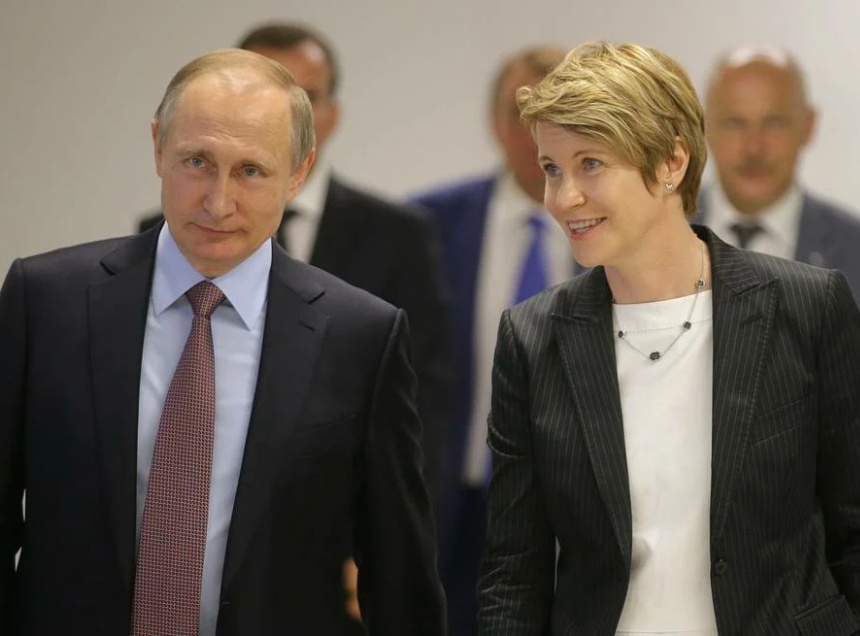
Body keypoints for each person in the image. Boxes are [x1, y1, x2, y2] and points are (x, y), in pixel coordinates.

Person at [0, 48, 445, 635]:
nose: (218, 202)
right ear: (158, 146)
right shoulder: (45, 302)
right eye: (197, 161)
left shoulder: (362, 336)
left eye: (251, 171)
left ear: (299, 172)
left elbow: (399, 574)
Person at [479, 41, 860, 635]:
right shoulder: (532, 339)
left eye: (591, 163)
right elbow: (514, 572)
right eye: (552, 168)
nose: (564, 196)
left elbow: (853, 527)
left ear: (671, 163)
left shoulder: (808, 307)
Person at [139, 23, 452, 505]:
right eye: (256, 85)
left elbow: (422, 398)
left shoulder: (399, 234)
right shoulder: (167, 230)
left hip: (326, 518)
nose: (220, 205)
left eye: (304, 95)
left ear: (331, 114)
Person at [410, 45, 573, 636]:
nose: (537, 133)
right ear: (494, 123)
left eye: (559, 113)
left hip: (576, 508)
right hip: (457, 502)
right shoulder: (427, 224)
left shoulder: (624, 231)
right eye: (522, 113)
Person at [696, 46, 860, 298]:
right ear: (703, 126)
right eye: (734, 123)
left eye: (774, 123)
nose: (754, 148)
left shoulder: (854, 248)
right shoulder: (654, 237)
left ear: (808, 125)